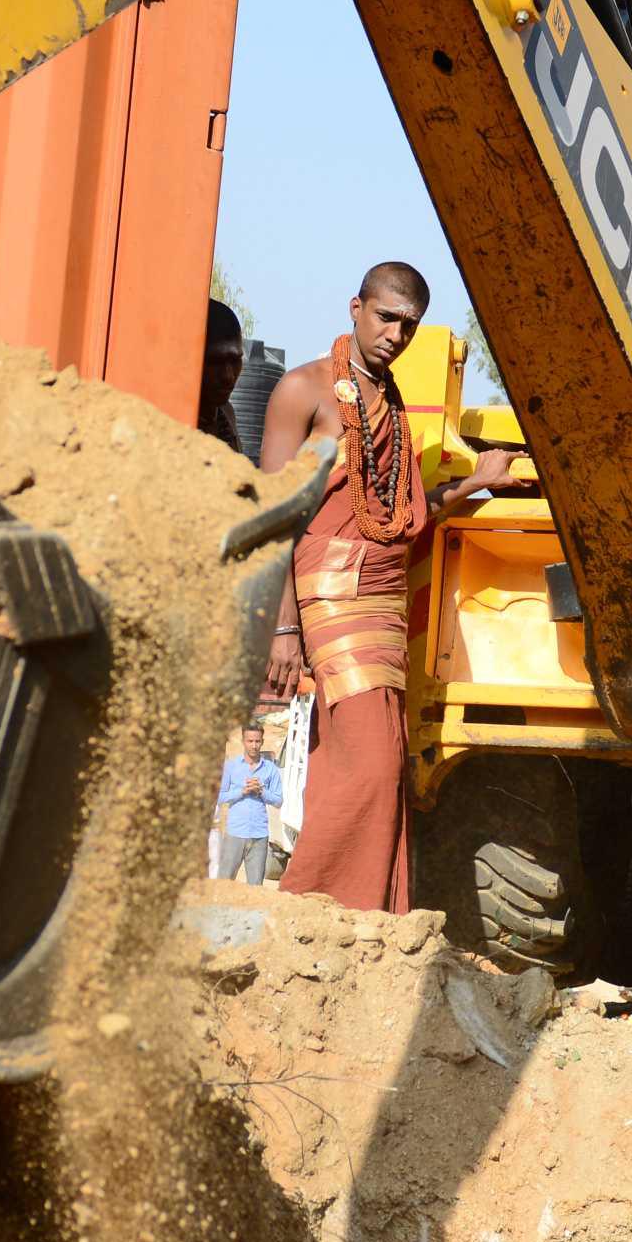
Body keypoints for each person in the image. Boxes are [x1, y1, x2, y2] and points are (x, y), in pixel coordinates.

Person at [260, 261, 519, 912]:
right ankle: (308, 909)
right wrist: (283, 628)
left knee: (366, 759)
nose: (395, 335)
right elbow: (273, 519)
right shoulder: (303, 390)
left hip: (383, 600)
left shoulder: (393, 403)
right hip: (329, 593)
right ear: (356, 308)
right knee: (372, 765)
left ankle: (362, 924)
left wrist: (477, 481)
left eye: (409, 325)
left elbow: (403, 516)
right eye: (385, 318)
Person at [211, 721, 282, 885]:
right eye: (250, 741)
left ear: (262, 741)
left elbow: (278, 801)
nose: (254, 745)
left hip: (259, 836)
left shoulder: (270, 769)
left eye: (257, 741)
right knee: (224, 884)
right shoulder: (231, 767)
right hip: (235, 833)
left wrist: (261, 791)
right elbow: (219, 797)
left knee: (255, 888)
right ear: (243, 741)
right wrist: (242, 791)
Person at [200, 300, 248, 449]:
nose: (228, 376)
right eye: (215, 362)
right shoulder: (169, 418)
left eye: (235, 360)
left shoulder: (226, 415)